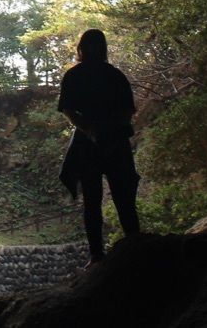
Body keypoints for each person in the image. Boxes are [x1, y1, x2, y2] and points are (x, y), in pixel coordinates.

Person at [58, 28, 140, 266]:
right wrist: (110, 132)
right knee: (123, 199)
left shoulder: (74, 76)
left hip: (87, 143)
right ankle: (134, 246)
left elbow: (69, 111)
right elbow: (127, 111)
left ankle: (97, 256)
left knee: (93, 202)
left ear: (80, 48)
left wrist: (91, 130)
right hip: (115, 141)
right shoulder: (115, 76)